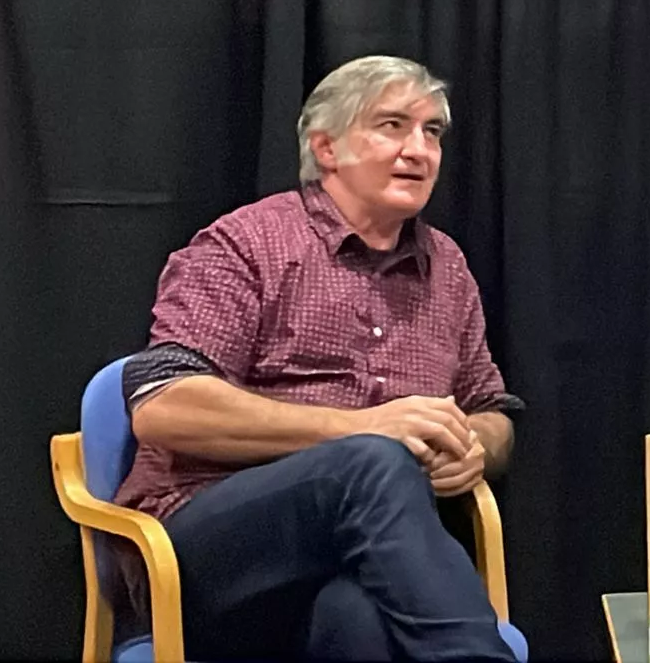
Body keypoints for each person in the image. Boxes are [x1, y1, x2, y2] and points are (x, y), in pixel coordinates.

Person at [111, 55, 524, 662]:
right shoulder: (246, 243)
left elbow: (493, 410)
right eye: (392, 126)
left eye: (432, 131)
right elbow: (164, 405)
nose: (419, 149)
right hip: (205, 558)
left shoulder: (448, 268)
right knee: (369, 460)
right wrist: (360, 430)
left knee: (362, 624)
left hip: (351, 571)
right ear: (327, 149)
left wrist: (474, 445)